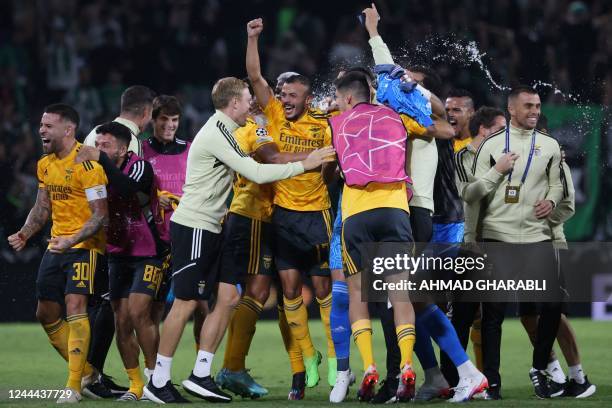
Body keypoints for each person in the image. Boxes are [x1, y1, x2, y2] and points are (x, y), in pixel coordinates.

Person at [143, 77, 334, 403]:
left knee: (230, 297)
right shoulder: (216, 133)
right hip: (195, 226)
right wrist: (306, 163)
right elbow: (257, 172)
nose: (253, 104)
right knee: (187, 302)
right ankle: (158, 380)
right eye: (248, 100)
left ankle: (201, 374)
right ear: (233, 104)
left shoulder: (233, 130)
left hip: (217, 227)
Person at [362, 5, 486, 403]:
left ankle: (463, 373)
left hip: (417, 214)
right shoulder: (395, 116)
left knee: (406, 301)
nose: (403, 85)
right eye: (403, 81)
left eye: (410, 82)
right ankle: (444, 374)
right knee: (408, 302)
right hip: (402, 210)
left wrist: (412, 85)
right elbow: (385, 70)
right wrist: (374, 33)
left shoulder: (429, 123)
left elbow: (437, 110)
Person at [246, 18, 336, 390]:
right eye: (282, 94)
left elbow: (330, 166)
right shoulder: (273, 116)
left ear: (307, 98)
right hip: (282, 215)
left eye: (292, 96)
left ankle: (335, 359)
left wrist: (321, 186)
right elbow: (254, 77)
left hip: (316, 214)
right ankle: (306, 359)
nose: (285, 100)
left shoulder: (323, 122)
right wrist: (252, 38)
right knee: (289, 292)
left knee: (324, 292)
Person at [216, 87, 316, 400]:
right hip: (252, 214)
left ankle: (240, 366)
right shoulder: (254, 127)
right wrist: (312, 157)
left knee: (264, 293)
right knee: (257, 292)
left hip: (262, 217)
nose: (276, 99)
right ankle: (232, 367)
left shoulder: (259, 126)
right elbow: (272, 157)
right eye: (261, 95)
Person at [8, 103, 109, 403]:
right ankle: (89, 371)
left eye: (48, 125)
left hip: (85, 247)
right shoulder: (45, 164)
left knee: (75, 305)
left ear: (68, 129)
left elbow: (100, 216)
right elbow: (42, 207)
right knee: (45, 312)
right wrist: (25, 233)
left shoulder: (89, 166)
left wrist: (71, 240)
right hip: (56, 247)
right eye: (41, 124)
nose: (41, 130)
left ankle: (74, 385)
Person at [472, 85, 565, 399]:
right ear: (511, 109)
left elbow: (557, 187)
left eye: (537, 106)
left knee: (553, 304)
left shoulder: (551, 145)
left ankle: (539, 367)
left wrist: (551, 202)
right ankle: (492, 383)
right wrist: (497, 171)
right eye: (528, 106)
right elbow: (471, 194)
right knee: (493, 314)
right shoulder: (492, 146)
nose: (535, 112)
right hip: (497, 237)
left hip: (536, 237)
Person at [80, 84, 155, 398]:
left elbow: (127, 187)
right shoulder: (120, 144)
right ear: (146, 112)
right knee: (117, 315)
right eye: (98, 143)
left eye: (103, 144)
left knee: (136, 313)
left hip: (142, 249)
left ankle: (155, 378)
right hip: (109, 248)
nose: (98, 146)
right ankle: (125, 381)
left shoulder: (131, 161)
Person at [518, 115, 595, 399]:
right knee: (526, 315)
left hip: (549, 245)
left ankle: (579, 377)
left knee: (556, 315)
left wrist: (542, 220)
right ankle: (556, 373)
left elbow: (568, 207)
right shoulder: (514, 166)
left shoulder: (557, 165)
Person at [453, 106, 509, 399]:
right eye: (501, 130)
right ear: (484, 131)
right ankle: (453, 380)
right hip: (470, 245)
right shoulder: (463, 157)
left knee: (494, 317)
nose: (506, 137)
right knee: (461, 316)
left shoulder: (506, 158)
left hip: (499, 243)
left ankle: (493, 383)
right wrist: (497, 170)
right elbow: (469, 193)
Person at [83, 85, 155, 156]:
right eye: (152, 114)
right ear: (145, 113)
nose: (151, 119)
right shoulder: (132, 142)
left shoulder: (94, 132)